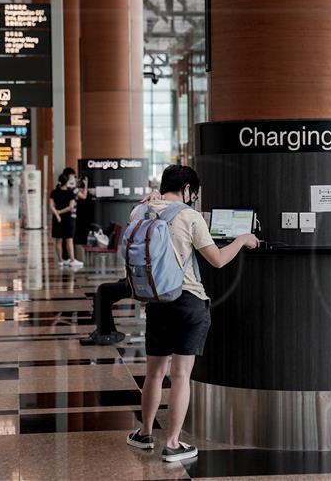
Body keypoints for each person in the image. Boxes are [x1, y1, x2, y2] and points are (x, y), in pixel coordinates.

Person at [126, 165, 258, 462]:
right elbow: (218, 260)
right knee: (181, 374)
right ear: (187, 189)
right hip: (188, 302)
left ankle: (144, 433)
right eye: (193, 193)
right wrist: (242, 239)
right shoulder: (189, 216)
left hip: (157, 301)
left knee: (154, 373)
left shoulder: (140, 212)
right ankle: (172, 443)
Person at [79, 278, 129, 346]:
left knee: (104, 289)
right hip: (137, 281)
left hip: (142, 284)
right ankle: (106, 331)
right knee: (104, 294)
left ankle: (105, 332)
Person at [49, 174, 82, 267]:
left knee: (58, 240)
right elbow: (71, 207)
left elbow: (51, 206)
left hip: (57, 220)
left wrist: (57, 213)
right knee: (69, 240)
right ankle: (72, 260)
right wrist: (61, 212)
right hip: (68, 219)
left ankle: (60, 261)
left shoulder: (54, 192)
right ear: (66, 182)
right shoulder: (70, 193)